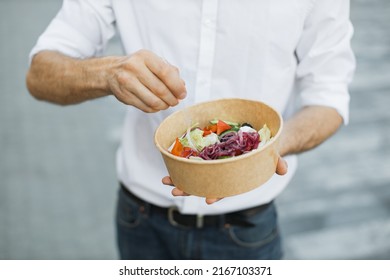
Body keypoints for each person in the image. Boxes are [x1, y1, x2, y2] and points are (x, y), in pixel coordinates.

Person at [26, 0, 355, 260]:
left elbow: (329, 97)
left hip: (245, 231)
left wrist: (264, 151)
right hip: (140, 220)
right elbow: (39, 75)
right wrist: (108, 73)